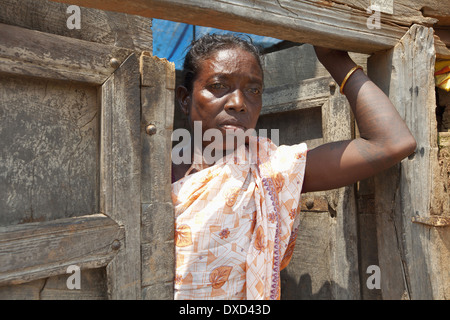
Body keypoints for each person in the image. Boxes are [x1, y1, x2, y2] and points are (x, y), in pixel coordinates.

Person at [171, 34, 416, 300]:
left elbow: (392, 143)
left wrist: (336, 60)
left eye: (253, 90)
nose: (239, 103)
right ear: (185, 98)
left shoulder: (271, 169)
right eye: (219, 85)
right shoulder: (148, 172)